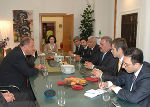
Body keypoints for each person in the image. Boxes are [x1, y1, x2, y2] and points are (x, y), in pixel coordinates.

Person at [0, 36, 42, 102]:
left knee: (35, 88)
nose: (34, 48)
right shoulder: (17, 55)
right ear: (25, 46)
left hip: (15, 78)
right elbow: (29, 72)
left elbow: (26, 63)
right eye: (32, 46)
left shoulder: (18, 50)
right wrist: (38, 69)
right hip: (11, 86)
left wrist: (34, 65)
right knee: (34, 93)